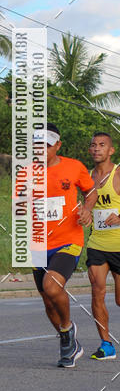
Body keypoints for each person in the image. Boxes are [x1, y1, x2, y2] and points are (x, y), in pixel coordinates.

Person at [22, 124, 97, 367]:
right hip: (39, 244)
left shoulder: (74, 167)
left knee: (52, 287)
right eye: (36, 145)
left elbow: (91, 192)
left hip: (68, 240)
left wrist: (87, 210)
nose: (40, 149)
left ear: (57, 145)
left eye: (45, 145)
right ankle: (69, 341)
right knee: (47, 301)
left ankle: (67, 328)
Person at [85, 132, 120, 360]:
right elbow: (85, 206)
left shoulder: (118, 174)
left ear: (111, 150)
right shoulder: (87, 177)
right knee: (97, 291)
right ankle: (106, 345)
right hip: (97, 243)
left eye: (102, 145)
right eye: (93, 145)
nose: (97, 148)